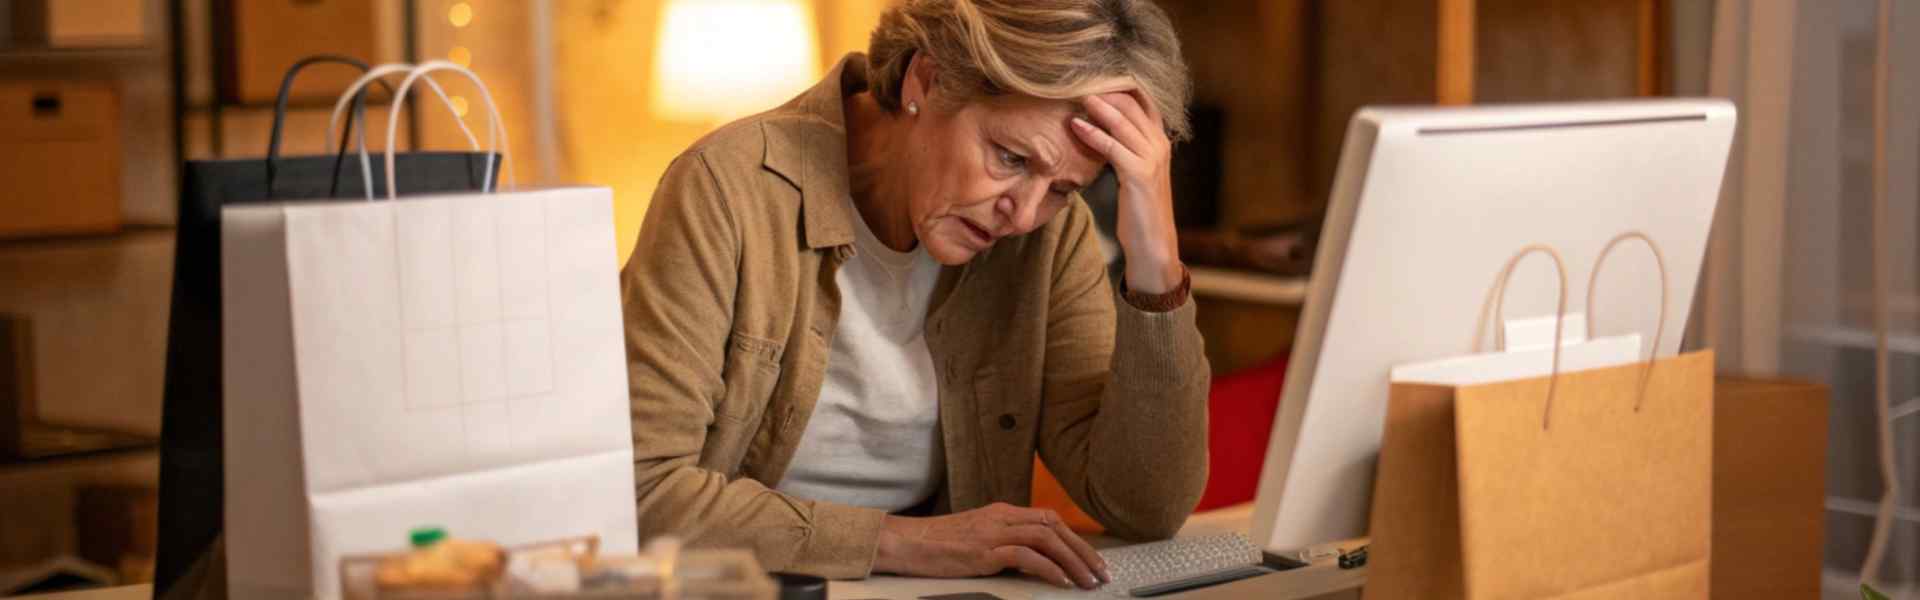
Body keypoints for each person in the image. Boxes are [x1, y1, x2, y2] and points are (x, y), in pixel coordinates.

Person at [622, 0, 1208, 590]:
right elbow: (643, 492)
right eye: (1010, 158)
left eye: (1062, 188)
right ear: (925, 80)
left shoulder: (1051, 238)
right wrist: (906, 542)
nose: (1025, 214)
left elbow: (1144, 506)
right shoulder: (725, 189)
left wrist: (1156, 261)